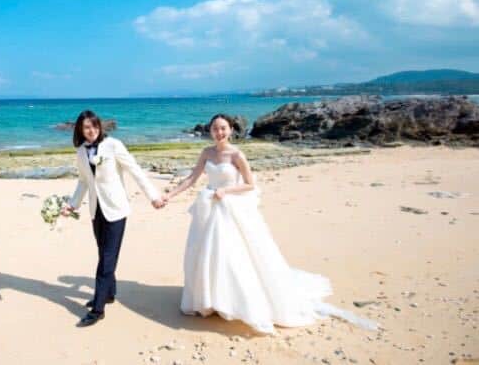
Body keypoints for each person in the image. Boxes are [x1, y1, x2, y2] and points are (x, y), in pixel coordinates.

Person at [163, 113, 377, 334]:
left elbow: (250, 184)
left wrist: (226, 190)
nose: (219, 132)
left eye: (223, 128)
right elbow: (192, 179)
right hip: (208, 209)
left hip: (228, 208)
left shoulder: (237, 154)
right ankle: (210, 299)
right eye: (215, 128)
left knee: (231, 255)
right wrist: (168, 196)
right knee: (206, 254)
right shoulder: (206, 153)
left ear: (231, 130)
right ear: (210, 131)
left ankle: (234, 300)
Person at [61, 109, 165, 327]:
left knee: (106, 260)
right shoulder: (81, 151)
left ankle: (98, 309)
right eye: (86, 127)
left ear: (99, 126)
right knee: (104, 253)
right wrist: (72, 205)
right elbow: (83, 181)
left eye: (94, 126)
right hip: (96, 210)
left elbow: (135, 170)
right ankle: (109, 293)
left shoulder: (114, 145)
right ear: (80, 130)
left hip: (116, 209)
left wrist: (153, 196)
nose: (91, 130)